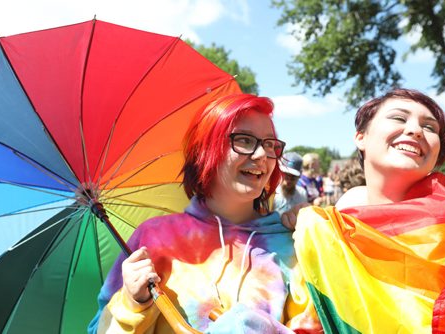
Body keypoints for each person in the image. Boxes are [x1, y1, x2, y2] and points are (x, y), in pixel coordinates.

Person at [88, 94, 321, 333]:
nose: (262, 155)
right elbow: (98, 329)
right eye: (244, 140)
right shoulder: (153, 238)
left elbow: (314, 326)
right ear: (207, 149)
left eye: (270, 144)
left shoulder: (291, 241)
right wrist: (132, 303)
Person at [287, 88, 445, 333]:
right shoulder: (327, 224)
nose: (416, 130)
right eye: (399, 118)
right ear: (361, 137)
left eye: (430, 127)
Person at [273, 151, 308, 216]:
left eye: (293, 177)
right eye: (285, 175)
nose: (288, 180)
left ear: (299, 176)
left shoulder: (302, 194)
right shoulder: (271, 193)